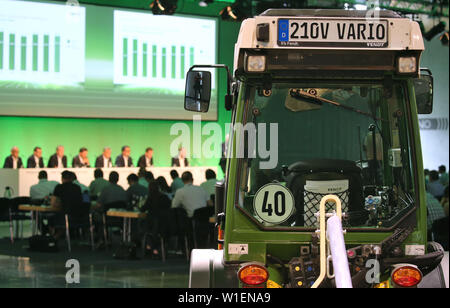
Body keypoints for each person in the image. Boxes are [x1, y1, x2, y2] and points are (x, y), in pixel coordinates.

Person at [140, 180, 172, 257]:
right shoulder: (165, 197)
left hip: (153, 225)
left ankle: (149, 246)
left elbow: (142, 209)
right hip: (165, 225)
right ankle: (154, 247)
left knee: (144, 227)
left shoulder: (150, 199)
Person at [49, 170, 83, 239]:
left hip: (65, 216)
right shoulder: (77, 188)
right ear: (72, 179)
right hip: (79, 216)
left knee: (50, 218)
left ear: (62, 178)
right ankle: (59, 235)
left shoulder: (59, 187)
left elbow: (53, 203)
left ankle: (53, 238)